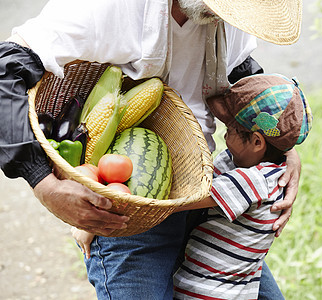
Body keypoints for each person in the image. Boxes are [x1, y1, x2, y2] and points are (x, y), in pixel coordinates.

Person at [0, 0, 303, 298]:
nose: (227, 15)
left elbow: (239, 72)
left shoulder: (234, 17)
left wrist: (284, 149)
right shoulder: (109, 8)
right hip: (131, 211)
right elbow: (6, 72)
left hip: (206, 204)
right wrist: (43, 183)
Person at [73, 73, 312, 299]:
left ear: (258, 142)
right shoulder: (239, 159)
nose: (225, 137)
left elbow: (178, 202)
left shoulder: (255, 181)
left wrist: (97, 219)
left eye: (230, 130)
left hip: (211, 293)